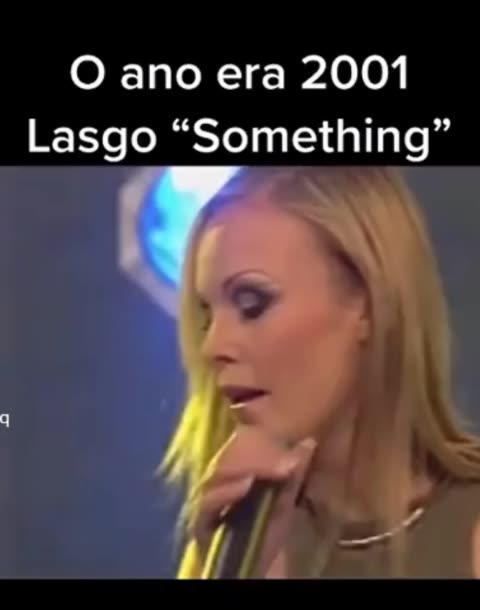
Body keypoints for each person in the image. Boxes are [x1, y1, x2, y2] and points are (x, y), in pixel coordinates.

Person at [161, 166, 480, 579]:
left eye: (252, 303)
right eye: (207, 316)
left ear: (368, 302)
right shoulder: (237, 537)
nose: (213, 347)